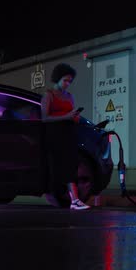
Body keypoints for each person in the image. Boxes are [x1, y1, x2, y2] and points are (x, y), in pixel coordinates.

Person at [41, 63, 90, 210]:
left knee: (71, 166)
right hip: (56, 136)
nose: (67, 84)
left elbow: (71, 116)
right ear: (58, 78)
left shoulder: (70, 97)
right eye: (65, 80)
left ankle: (74, 200)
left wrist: (74, 117)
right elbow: (44, 118)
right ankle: (73, 199)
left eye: (70, 81)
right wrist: (65, 116)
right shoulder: (49, 95)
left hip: (69, 134)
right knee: (62, 168)